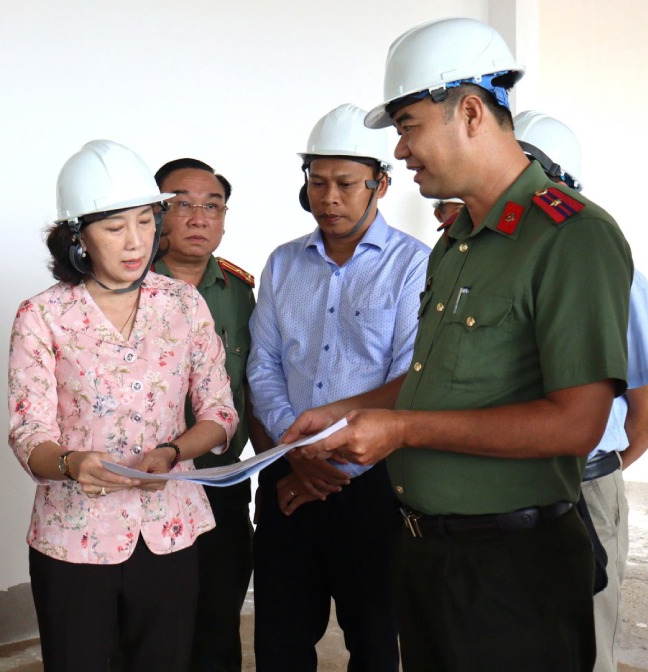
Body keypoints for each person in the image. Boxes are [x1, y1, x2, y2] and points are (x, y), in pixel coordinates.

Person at [283, 18, 633, 671]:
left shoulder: (569, 237)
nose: (402, 150)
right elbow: (433, 374)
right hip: (426, 552)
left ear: (469, 111)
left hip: (512, 568)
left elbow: (578, 422)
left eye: (409, 126)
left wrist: (403, 430)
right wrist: (348, 411)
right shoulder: (458, 239)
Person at [7, 139, 238, 672]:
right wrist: (71, 464)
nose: (135, 242)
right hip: (73, 541)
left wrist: (173, 451)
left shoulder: (182, 303)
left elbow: (220, 414)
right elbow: (27, 433)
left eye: (144, 221)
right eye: (114, 228)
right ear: (77, 237)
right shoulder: (42, 316)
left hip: (170, 532)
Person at [246, 103, 429, 672]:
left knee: (375, 643)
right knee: (279, 640)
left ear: (380, 183)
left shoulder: (413, 267)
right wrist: (298, 454)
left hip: (373, 486)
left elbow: (409, 381)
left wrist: (330, 467)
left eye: (346, 184)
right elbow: (263, 367)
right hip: (287, 476)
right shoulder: (282, 264)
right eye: (317, 182)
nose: (329, 197)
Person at [514, 109, 648, 672]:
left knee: (585, 639)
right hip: (508, 492)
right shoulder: (494, 263)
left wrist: (600, 470)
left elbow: (645, 409)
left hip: (585, 488)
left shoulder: (610, 270)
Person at [150, 158, 272, 672]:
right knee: (150, 621)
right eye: (182, 204)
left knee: (218, 616)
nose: (199, 218)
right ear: (154, 214)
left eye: (212, 206)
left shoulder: (240, 293)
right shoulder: (121, 288)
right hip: (147, 480)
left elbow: (255, 386)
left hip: (221, 479)